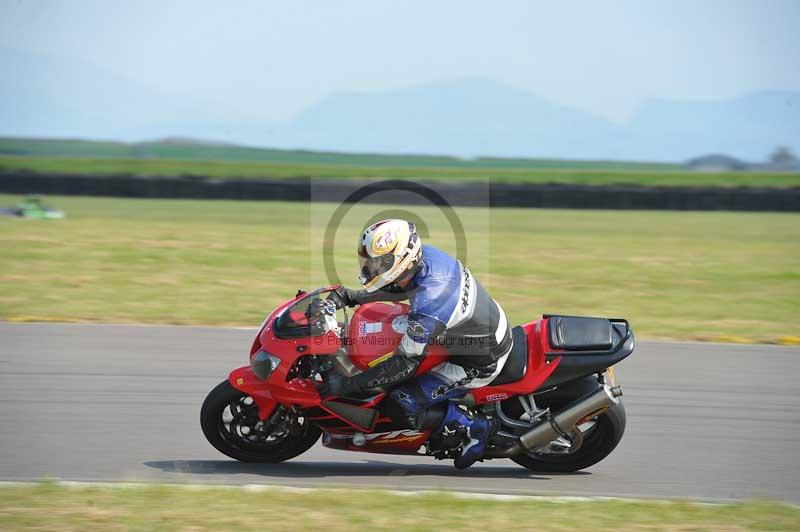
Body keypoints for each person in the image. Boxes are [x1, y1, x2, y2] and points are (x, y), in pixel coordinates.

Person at [316, 219, 512, 469]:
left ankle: (477, 428)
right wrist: (352, 296)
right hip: (467, 335)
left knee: (401, 400)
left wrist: (348, 384)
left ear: (401, 259)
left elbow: (403, 364)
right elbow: (402, 288)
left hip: (479, 359)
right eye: (371, 260)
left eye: (380, 262)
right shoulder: (423, 257)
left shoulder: (431, 302)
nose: (372, 267)